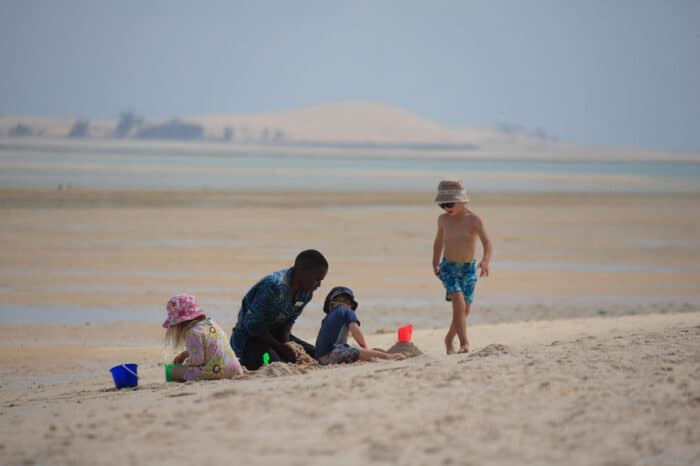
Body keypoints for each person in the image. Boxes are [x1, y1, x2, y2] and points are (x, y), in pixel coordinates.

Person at [230, 249, 328, 370]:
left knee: (317, 355)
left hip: (277, 338)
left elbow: (288, 322)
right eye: (317, 279)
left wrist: (287, 345)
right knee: (275, 362)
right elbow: (252, 325)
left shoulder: (306, 293)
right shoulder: (273, 285)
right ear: (303, 272)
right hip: (249, 341)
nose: (319, 285)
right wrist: (280, 347)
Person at [432, 179, 493, 354]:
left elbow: (487, 242)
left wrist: (486, 260)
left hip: (468, 269)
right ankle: (464, 343)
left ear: (462, 200)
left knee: (465, 310)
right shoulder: (443, 220)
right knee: (458, 303)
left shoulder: (473, 219)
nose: (446, 208)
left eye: (449, 203)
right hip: (448, 267)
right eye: (442, 205)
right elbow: (438, 243)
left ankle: (449, 338)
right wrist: (435, 261)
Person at [163, 293, 242, 382]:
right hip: (234, 368)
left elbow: (198, 361)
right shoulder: (210, 323)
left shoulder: (193, 333)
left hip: (218, 370)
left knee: (173, 372)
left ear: (179, 324)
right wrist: (185, 354)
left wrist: (186, 364)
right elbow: (209, 348)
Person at [315, 286, 404, 364]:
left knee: (349, 348)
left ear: (330, 305)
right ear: (350, 304)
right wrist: (364, 347)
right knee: (356, 351)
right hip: (331, 354)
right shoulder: (346, 310)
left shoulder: (326, 318)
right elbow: (355, 330)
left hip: (320, 357)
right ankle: (387, 357)